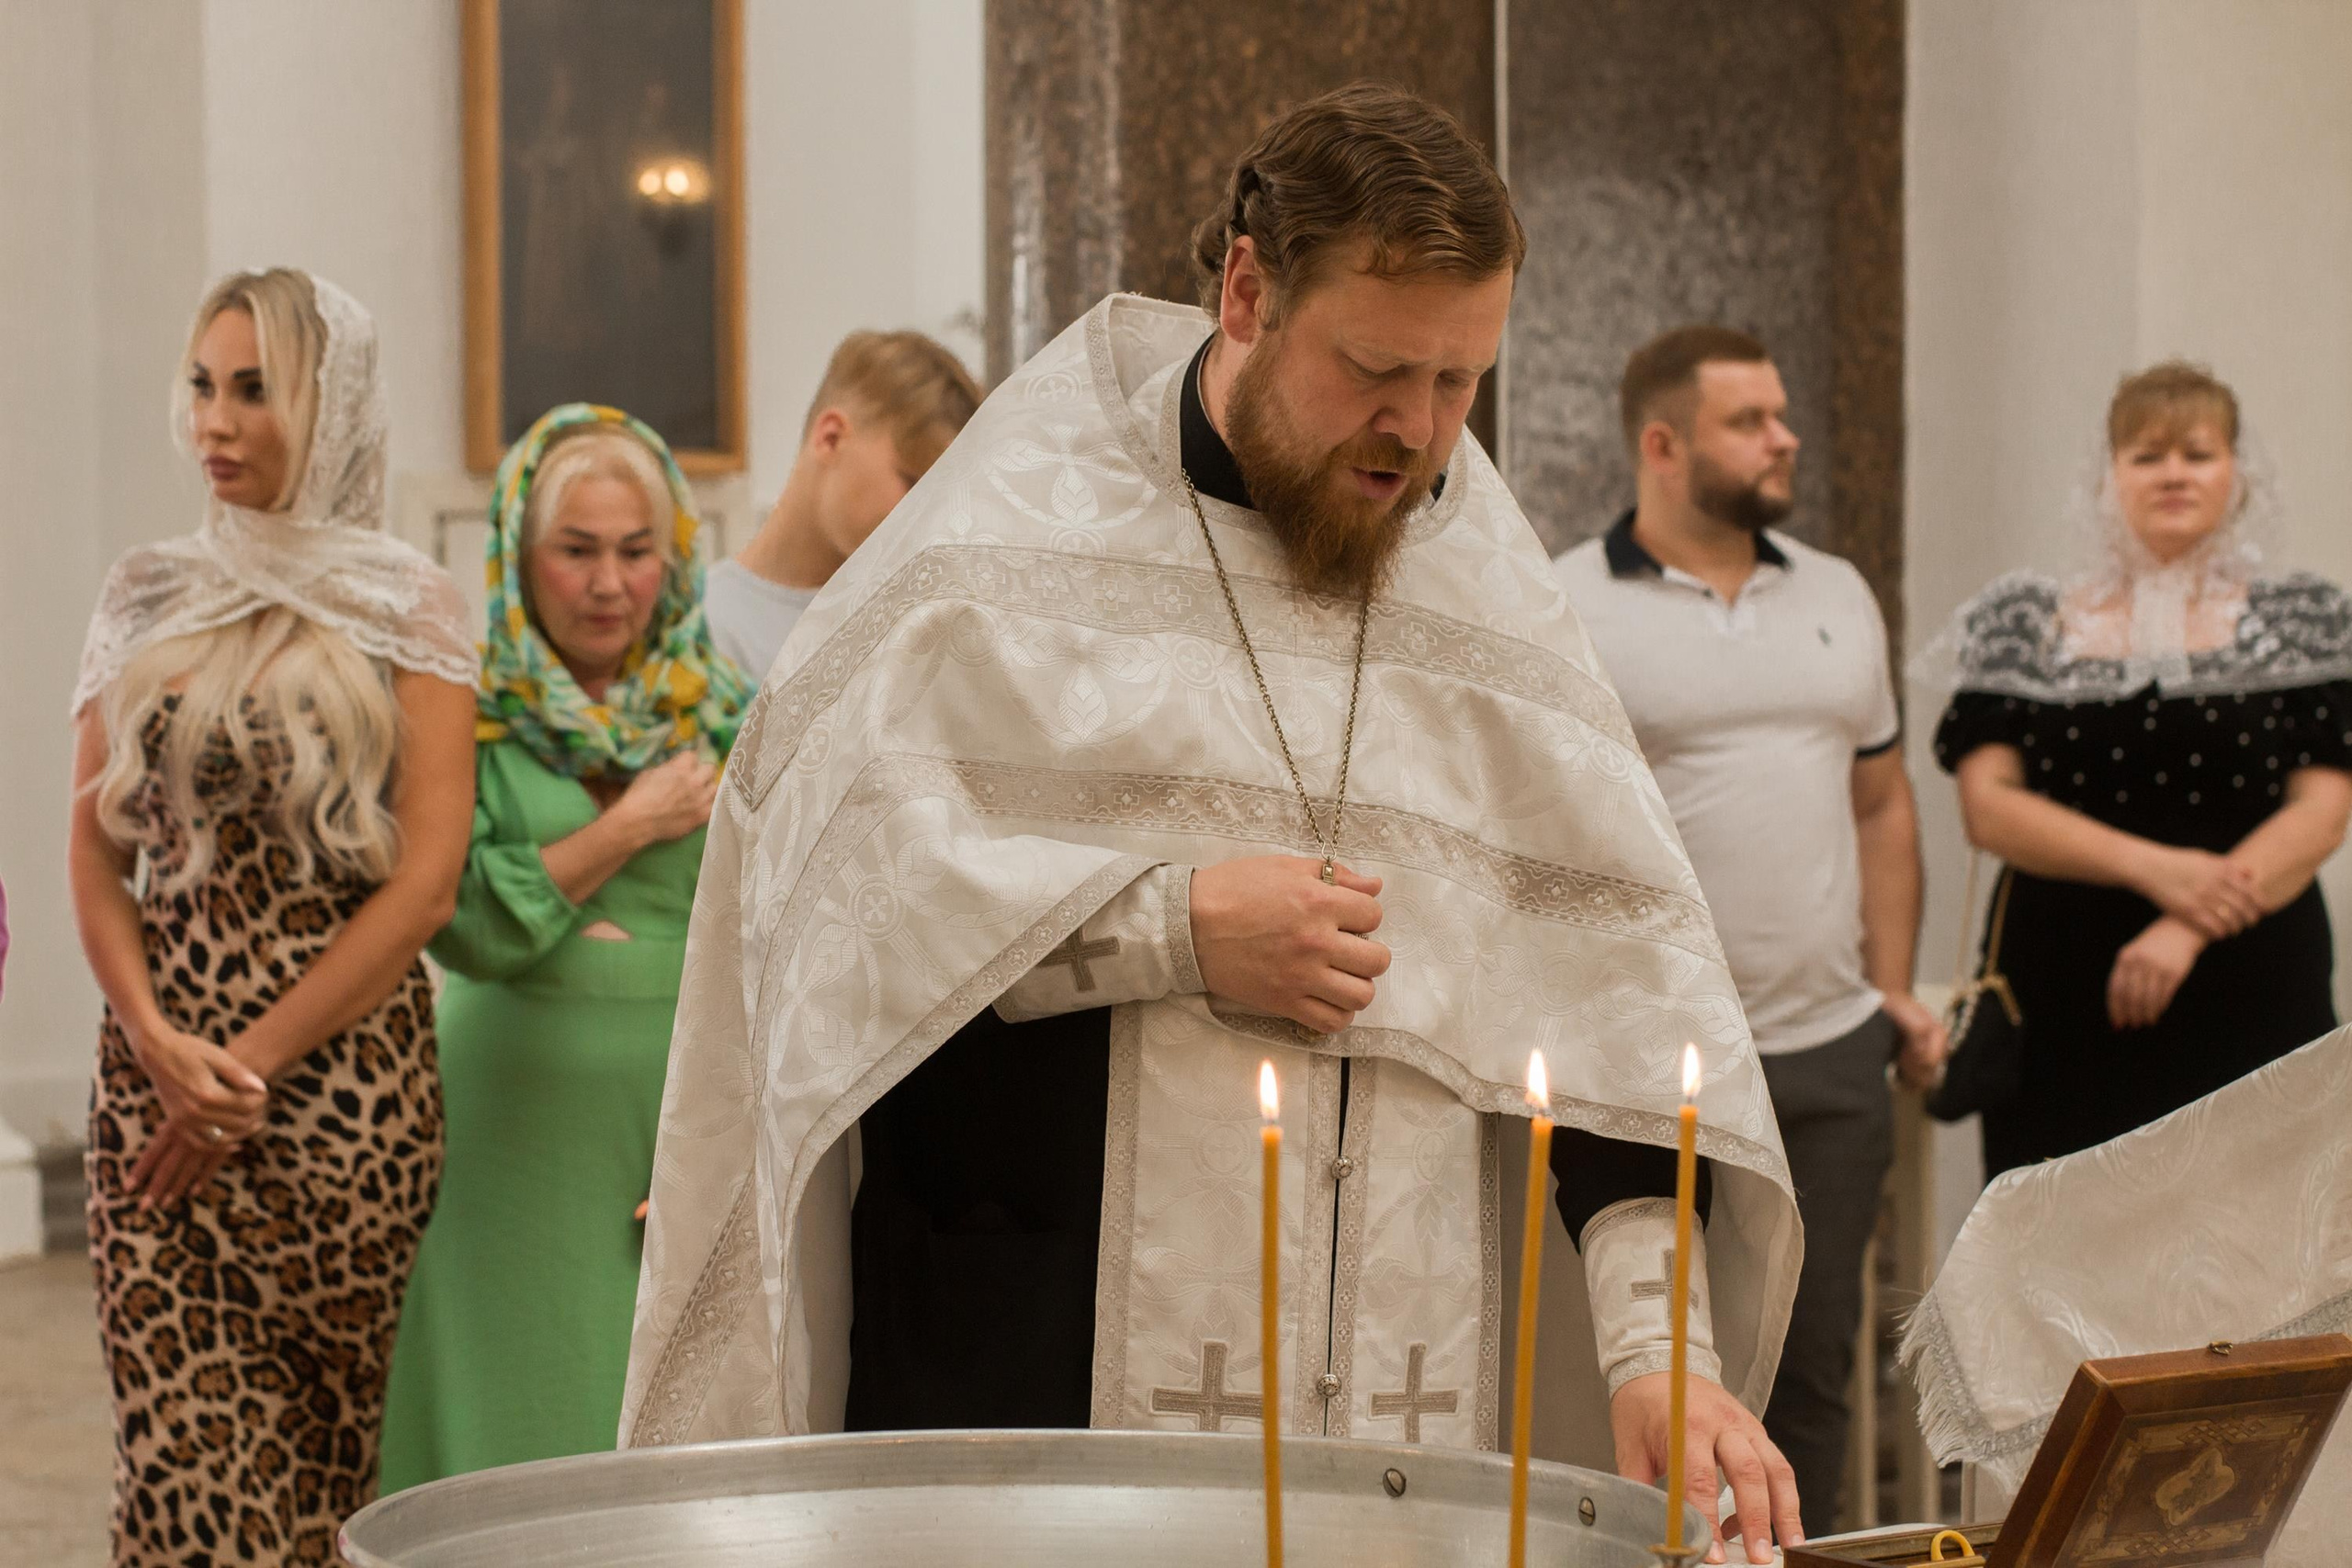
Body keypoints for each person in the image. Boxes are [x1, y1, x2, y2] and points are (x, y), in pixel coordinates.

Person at [626, 85, 1807, 1564]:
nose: (1419, 436)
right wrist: (1170, 925)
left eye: (1459, 384)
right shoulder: (1012, 540)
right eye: (1376, 369)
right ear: (1246, 287)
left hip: (1403, 1426)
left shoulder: (1486, 597)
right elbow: (833, 917)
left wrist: (1661, 1354)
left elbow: (1618, 1015)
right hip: (1033, 1386)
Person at [68, 269, 477, 1565]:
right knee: (184, 1478)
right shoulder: (143, 590)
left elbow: (425, 881)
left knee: (320, 1478)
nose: (217, 421)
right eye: (201, 384)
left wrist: (246, 1068)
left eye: (254, 388)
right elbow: (91, 857)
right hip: (156, 1104)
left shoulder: (410, 604)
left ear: (330, 399)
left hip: (344, 1110)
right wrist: (153, 1041)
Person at [1553, 325, 1945, 1535]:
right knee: (1653, 1371)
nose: (1785, 438)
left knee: (1812, 1370)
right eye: (1751, 420)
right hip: (1649, 1053)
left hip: (1827, 1048)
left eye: (1782, 413)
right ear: (1661, 445)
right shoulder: (1565, 601)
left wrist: (1889, 987)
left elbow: (1881, 799)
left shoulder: (1833, 590)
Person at [379, 405, 750, 1489]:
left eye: (637, 552)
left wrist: (724, 1139)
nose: (607, 583)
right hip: (501, 1130)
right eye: (575, 550)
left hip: (669, 1126)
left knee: (643, 1444)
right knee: (498, 1425)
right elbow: (469, 921)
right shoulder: (467, 709)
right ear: (517, 556)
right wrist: (627, 827)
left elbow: (769, 937)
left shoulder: (728, 716)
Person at [1928, 361, 2352, 1180]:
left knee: (2256, 1242)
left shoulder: (2302, 620)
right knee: (2062, 1229)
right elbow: (1990, 808)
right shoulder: (2023, 620)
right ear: (2106, 475)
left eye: (2197, 452)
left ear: (2239, 471)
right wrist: (2159, 871)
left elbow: (2322, 813)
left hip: (2250, 965)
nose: (2173, 474)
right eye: (2146, 454)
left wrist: (2190, 920)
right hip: (2065, 982)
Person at [704, 330, 981, 680]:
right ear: (830, 438)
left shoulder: (922, 627)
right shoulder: (704, 623)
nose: (924, 518)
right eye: (912, 484)